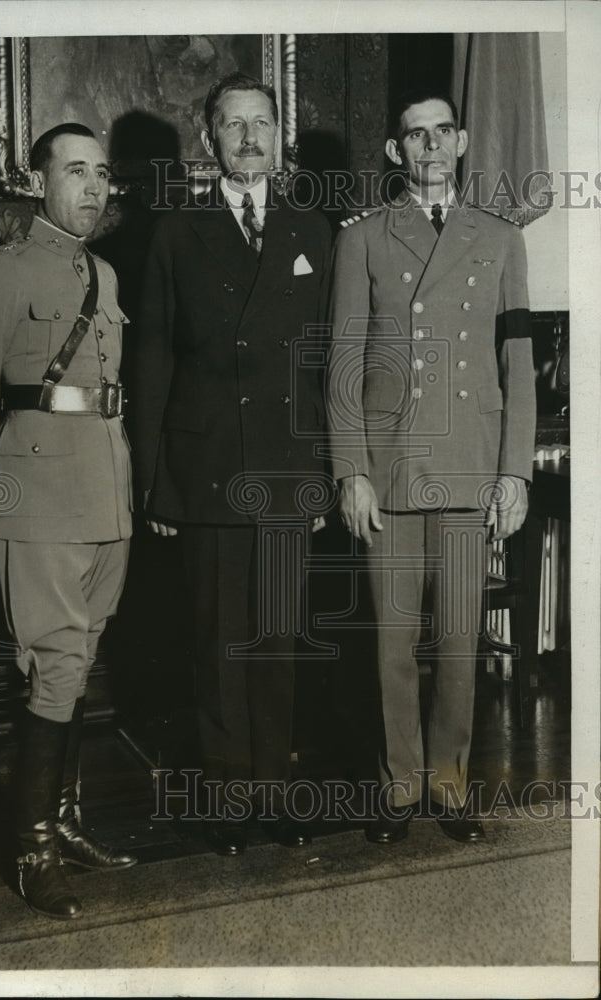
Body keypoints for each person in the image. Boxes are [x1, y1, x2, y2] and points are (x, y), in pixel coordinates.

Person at [0, 123, 137, 920]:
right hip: (38, 495)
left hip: (105, 491)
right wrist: (6, 481)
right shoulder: (4, 273)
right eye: (74, 172)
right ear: (38, 182)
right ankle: (32, 852)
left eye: (101, 174)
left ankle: (66, 821)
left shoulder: (107, 274)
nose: (91, 188)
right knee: (54, 659)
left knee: (81, 655)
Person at [327, 89, 536, 844]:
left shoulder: (502, 240)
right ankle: (398, 785)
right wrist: (349, 470)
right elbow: (344, 363)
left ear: (462, 139)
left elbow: (518, 362)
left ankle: (449, 784)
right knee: (390, 642)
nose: (430, 147)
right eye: (415, 136)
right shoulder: (364, 240)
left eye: (442, 132)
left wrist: (513, 473)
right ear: (395, 151)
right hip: (390, 466)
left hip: (470, 464)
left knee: (458, 638)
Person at [132, 72, 332, 855]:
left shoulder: (313, 229)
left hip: (286, 468)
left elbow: (324, 363)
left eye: (261, 124)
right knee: (218, 644)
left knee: (277, 643)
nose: (249, 138)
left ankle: (276, 797)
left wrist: (321, 474)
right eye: (233, 125)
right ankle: (227, 801)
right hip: (206, 466)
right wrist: (154, 480)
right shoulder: (176, 233)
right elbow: (151, 360)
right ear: (208, 138)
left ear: (278, 135)